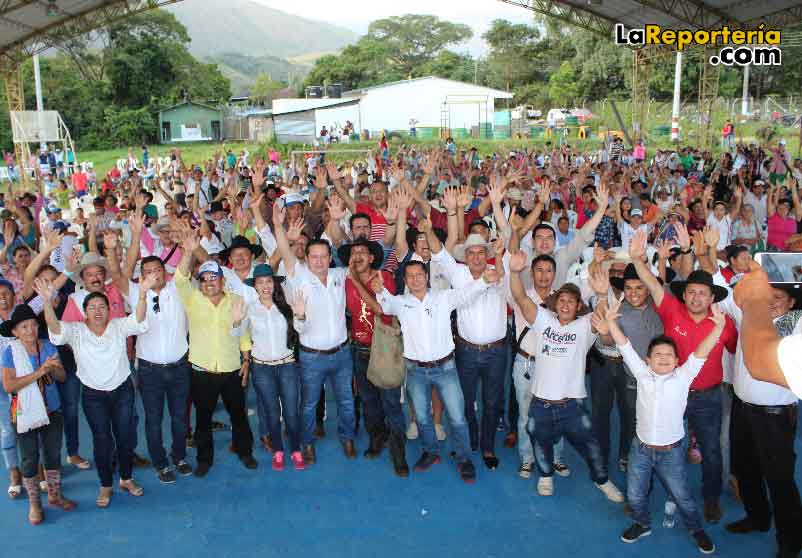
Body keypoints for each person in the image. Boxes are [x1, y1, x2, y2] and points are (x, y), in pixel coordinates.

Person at [630, 229, 737, 523]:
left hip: (708, 396)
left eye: (702, 293)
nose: (696, 297)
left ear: (712, 297)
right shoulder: (673, 311)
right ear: (684, 294)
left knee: (712, 450)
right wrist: (638, 260)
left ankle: (711, 499)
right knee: (661, 445)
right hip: (670, 394)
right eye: (691, 291)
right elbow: (652, 284)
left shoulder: (724, 323)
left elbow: (735, 351)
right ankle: (650, 495)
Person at [598, 297, 721, 554]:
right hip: (641, 449)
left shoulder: (684, 376)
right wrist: (611, 322)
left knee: (683, 496)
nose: (663, 358)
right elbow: (624, 345)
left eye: (669, 355)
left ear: (677, 360)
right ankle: (642, 524)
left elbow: (702, 351)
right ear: (648, 359)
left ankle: (696, 529)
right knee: (634, 494)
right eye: (658, 354)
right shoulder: (642, 374)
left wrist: (718, 328)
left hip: (671, 452)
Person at [508, 252, 624, 502]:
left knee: (591, 446)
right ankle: (545, 476)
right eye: (561, 300)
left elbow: (602, 320)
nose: (565, 304)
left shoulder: (584, 326)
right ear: (555, 304)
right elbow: (520, 297)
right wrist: (515, 272)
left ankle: (602, 481)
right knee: (539, 441)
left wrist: (601, 295)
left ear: (579, 306)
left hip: (572, 405)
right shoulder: (543, 320)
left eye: (571, 301)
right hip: (541, 403)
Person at [374, 259, 500, 483]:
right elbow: (386, 305)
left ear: (427, 277)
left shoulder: (443, 298)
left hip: (446, 368)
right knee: (422, 417)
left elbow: (466, 294)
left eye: (419, 274)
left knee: (457, 417)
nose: (415, 279)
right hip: (415, 370)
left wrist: (483, 281)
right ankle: (430, 452)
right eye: (410, 276)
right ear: (405, 280)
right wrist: (379, 290)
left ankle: (464, 459)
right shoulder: (400, 303)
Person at [39, 272, 152, 508]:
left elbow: (139, 318)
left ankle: (126, 479)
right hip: (93, 396)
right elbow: (55, 328)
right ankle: (105, 485)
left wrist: (142, 294)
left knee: (124, 438)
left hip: (122, 391)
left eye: (102, 306)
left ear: (109, 310)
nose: (97, 311)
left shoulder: (118, 326)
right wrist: (47, 303)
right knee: (102, 441)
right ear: (85, 312)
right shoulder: (76, 330)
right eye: (92, 307)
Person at [271, 204, 357, 465]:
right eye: (314, 256)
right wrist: (279, 227)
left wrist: (336, 220)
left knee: (346, 400)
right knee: (308, 404)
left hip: (342, 353)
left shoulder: (340, 275)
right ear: (306, 259)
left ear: (330, 258)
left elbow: (352, 253)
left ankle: (348, 437)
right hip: (311, 357)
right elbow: (285, 251)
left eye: (323, 256)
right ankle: (307, 443)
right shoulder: (298, 276)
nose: (319, 261)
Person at [105, 230, 193, 485]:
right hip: (149, 370)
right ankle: (160, 463)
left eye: (158, 269)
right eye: (148, 271)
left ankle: (179, 456)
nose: (154, 274)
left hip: (179, 367)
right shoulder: (135, 292)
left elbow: (185, 265)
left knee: (180, 418)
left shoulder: (178, 288)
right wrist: (110, 250)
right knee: (153, 420)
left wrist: (188, 249)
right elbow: (116, 275)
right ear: (142, 276)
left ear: (165, 271)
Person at [174, 230, 257, 477]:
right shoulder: (192, 299)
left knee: (239, 416)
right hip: (202, 371)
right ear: (199, 282)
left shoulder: (236, 299)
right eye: (204, 279)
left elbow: (243, 334)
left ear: (222, 280)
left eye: (214, 278)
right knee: (203, 419)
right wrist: (188, 250)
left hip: (232, 369)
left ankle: (245, 452)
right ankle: (204, 459)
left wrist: (246, 359)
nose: (209, 283)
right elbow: (180, 278)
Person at [339, 238, 409, 476]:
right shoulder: (345, 282)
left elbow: (381, 310)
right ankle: (377, 439)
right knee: (369, 401)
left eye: (362, 252)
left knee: (391, 404)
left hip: (384, 349)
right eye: (353, 252)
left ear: (371, 258)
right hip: (359, 350)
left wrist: (356, 281)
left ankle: (398, 452)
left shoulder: (383, 277)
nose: (357, 256)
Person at [1, 304, 75, 524]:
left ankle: (54, 494)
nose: (30, 330)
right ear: (15, 331)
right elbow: (9, 386)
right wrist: (40, 371)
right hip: (22, 412)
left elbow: (62, 377)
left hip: (52, 409)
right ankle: (34, 504)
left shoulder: (49, 347)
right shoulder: (10, 352)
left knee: (53, 454)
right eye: (24, 327)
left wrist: (55, 368)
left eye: (33, 325)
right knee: (29, 458)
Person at [232, 264, 305, 472]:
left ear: (274, 284)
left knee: (291, 412)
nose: (265, 286)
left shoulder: (286, 307)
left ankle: (296, 450)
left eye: (268, 281)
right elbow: (237, 335)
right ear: (254, 286)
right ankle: (279, 451)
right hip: (262, 368)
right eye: (260, 282)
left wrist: (300, 315)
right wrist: (236, 322)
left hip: (287, 365)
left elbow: (301, 330)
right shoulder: (249, 309)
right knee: (272, 413)